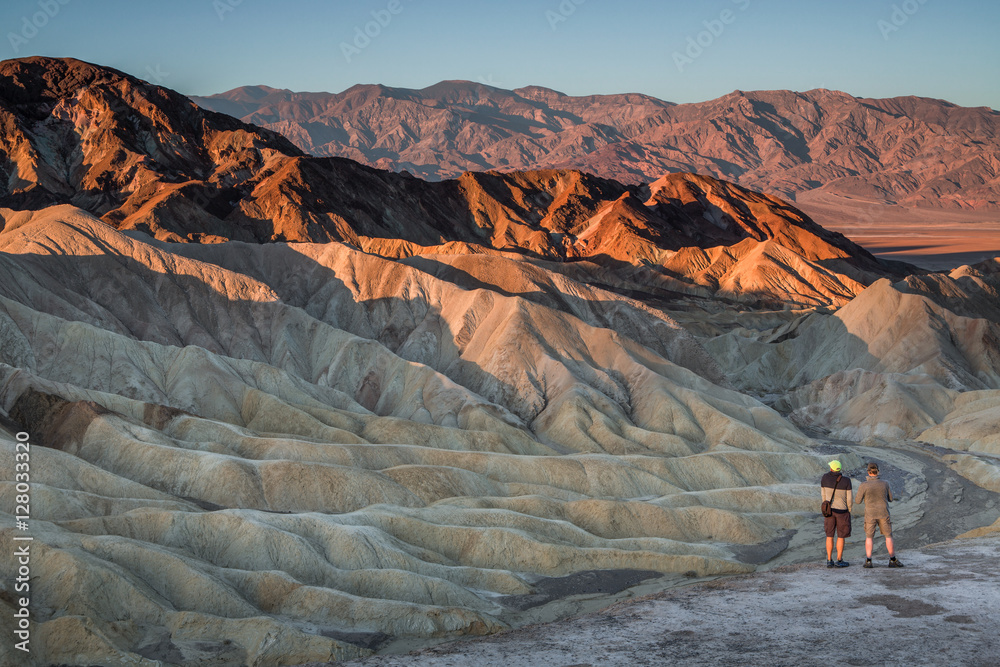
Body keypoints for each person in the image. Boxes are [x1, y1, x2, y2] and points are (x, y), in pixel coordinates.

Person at [855, 462, 904, 568]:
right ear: (878, 471)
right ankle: (892, 559)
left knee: (869, 537)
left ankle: (868, 561)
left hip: (870, 514)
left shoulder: (864, 485)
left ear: (868, 472)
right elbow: (890, 499)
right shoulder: (885, 483)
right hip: (883, 513)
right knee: (888, 536)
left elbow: (857, 501)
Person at [821, 460, 852, 567]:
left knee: (829, 536)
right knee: (841, 536)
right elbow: (849, 498)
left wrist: (826, 507)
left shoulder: (824, 478)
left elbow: (823, 495)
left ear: (831, 468)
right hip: (842, 511)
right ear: (840, 469)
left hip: (829, 511)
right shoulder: (846, 480)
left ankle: (829, 560)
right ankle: (839, 560)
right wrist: (849, 509)